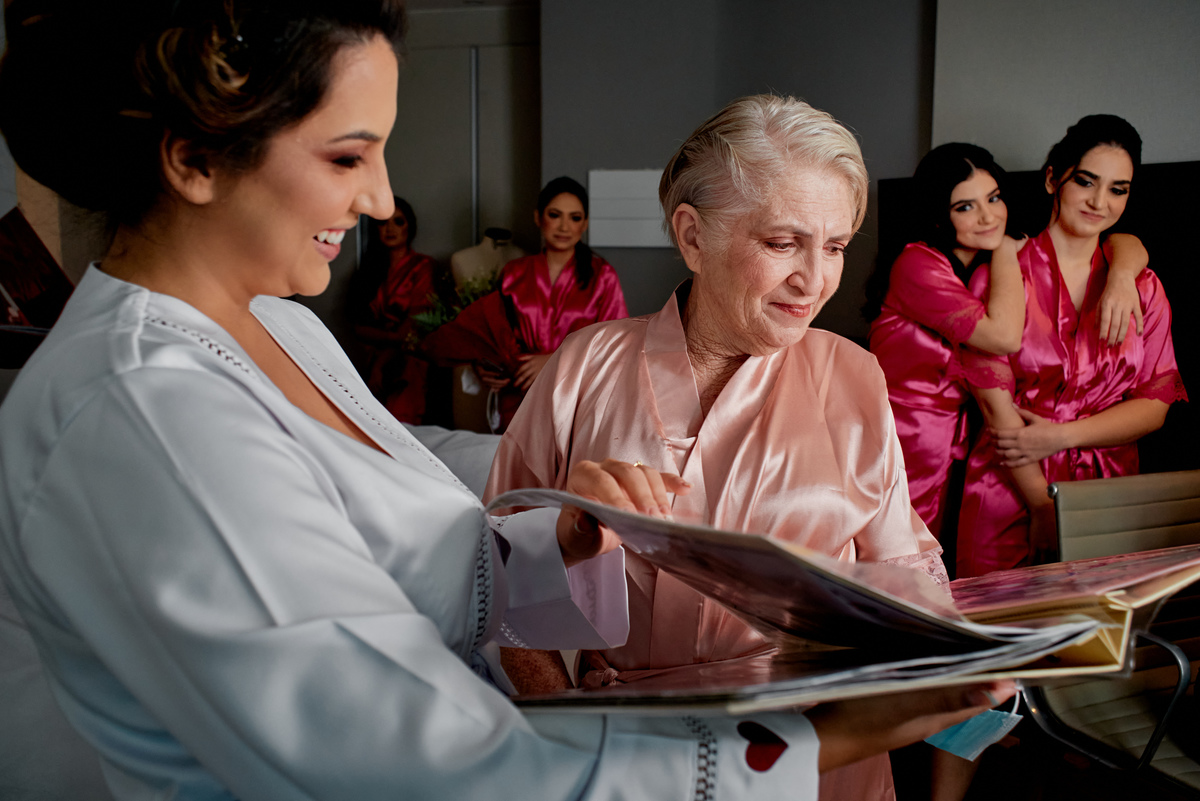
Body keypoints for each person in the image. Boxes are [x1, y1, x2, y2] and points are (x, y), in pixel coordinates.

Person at [0, 3, 1014, 800]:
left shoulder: (285, 326)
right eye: (349, 155)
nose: (385, 203)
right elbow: (414, 766)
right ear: (192, 158)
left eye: (834, 245)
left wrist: (565, 541)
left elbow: (428, 569)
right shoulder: (143, 409)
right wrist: (824, 735)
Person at [486, 94, 948, 800]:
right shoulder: (585, 366)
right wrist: (566, 733)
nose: (815, 279)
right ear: (693, 236)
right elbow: (492, 571)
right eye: (782, 242)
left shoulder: (852, 374)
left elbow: (902, 575)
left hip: (820, 758)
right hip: (631, 758)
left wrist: (977, 645)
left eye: (835, 246)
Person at [865, 144, 1146, 549]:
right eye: (965, 206)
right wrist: (1005, 253)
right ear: (938, 213)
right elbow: (1004, 337)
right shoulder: (917, 264)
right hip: (902, 440)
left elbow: (1126, 240)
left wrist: (1121, 273)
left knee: (929, 565)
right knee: (890, 564)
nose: (988, 215)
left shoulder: (980, 264)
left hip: (955, 445)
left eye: (994, 198)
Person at [956, 115, 1187, 578]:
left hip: (1109, 493)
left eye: (1118, 189)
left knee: (1101, 640)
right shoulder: (1000, 275)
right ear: (1051, 180)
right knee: (1002, 635)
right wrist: (1044, 507)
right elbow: (996, 409)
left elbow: (1155, 404)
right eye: (1086, 182)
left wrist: (1063, 435)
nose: (1100, 202)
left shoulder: (1142, 286)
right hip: (1011, 484)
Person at [425, 177, 628, 432]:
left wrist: (555, 360)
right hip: (518, 399)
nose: (564, 226)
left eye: (575, 218)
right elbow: (495, 333)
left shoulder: (603, 276)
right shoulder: (514, 273)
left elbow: (617, 345)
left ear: (584, 224)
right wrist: (485, 367)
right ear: (538, 217)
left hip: (577, 401)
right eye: (555, 215)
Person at [347, 196, 439, 423]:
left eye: (398, 222)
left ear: (411, 227)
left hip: (408, 363)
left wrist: (382, 362)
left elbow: (412, 327)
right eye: (383, 222)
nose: (390, 229)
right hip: (366, 359)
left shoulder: (423, 267)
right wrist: (376, 360)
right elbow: (358, 328)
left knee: (399, 426)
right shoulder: (368, 272)